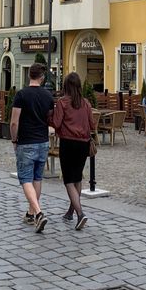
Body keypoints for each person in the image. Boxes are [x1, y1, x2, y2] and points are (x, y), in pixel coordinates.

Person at [10, 63, 53, 234]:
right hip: (43, 141)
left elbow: (14, 122)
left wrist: (14, 139)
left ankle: (39, 213)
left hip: (26, 141)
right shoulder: (48, 95)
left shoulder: (21, 95)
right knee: (37, 178)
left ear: (29, 76)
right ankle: (30, 213)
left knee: (25, 179)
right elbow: (50, 119)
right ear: (42, 78)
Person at [51, 72, 95, 231]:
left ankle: (80, 213)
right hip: (83, 144)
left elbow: (56, 122)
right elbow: (92, 125)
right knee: (77, 177)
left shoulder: (62, 102)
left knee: (68, 180)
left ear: (66, 86)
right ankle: (71, 211)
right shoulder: (86, 103)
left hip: (68, 143)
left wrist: (48, 116)